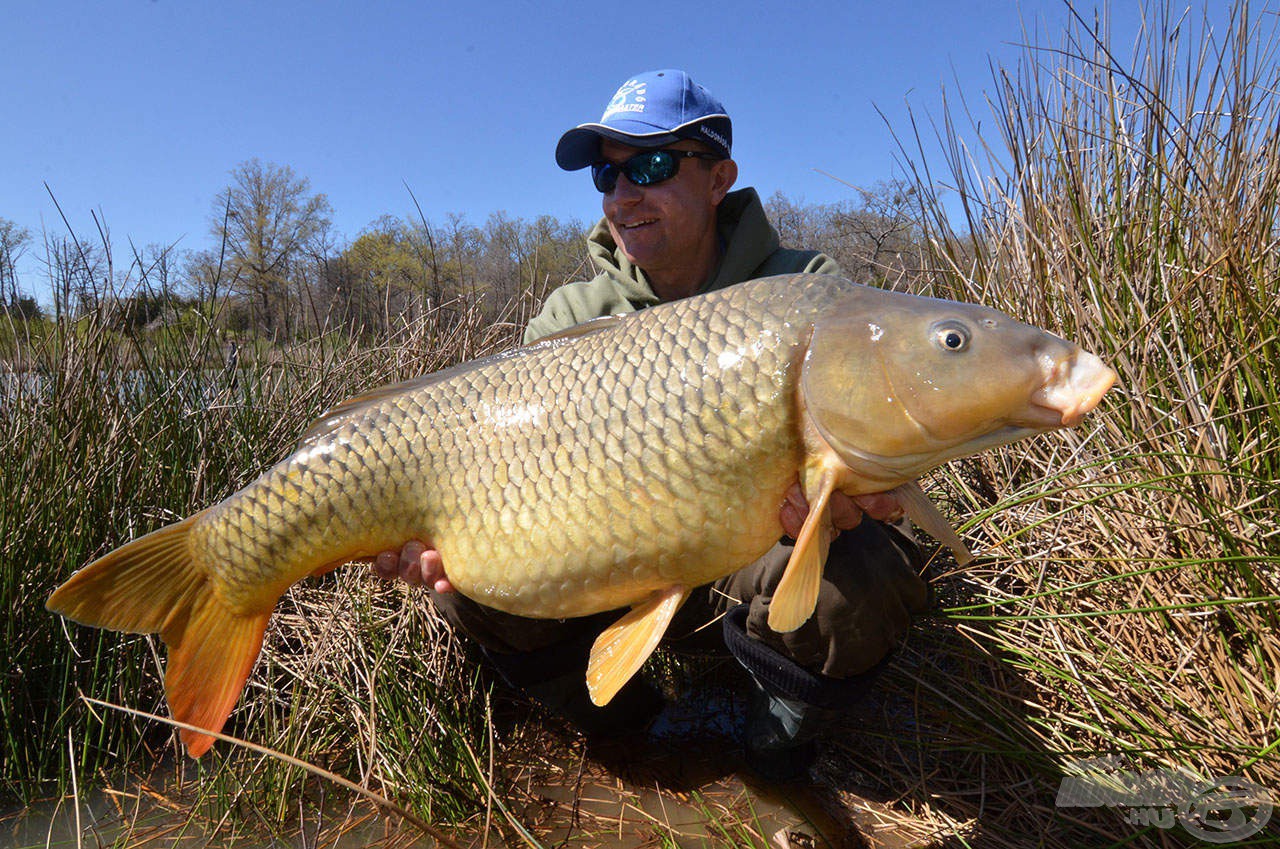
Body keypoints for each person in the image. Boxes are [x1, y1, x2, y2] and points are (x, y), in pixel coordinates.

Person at [374, 70, 930, 781]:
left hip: (751, 556)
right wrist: (442, 534)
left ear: (718, 177)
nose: (623, 194)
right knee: (472, 579)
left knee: (861, 571)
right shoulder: (572, 314)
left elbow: (886, 440)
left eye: (652, 166)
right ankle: (631, 732)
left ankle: (770, 749)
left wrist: (833, 508)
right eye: (607, 175)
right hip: (612, 561)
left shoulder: (806, 290)